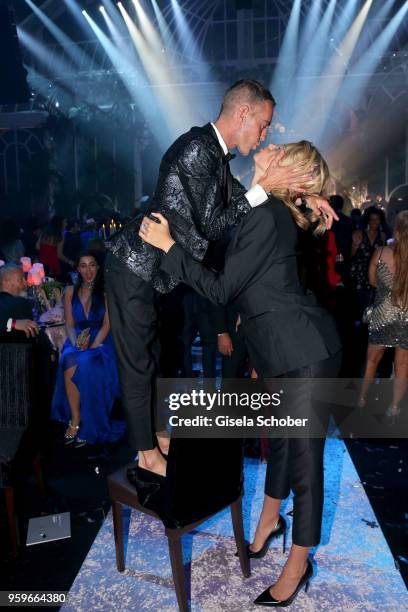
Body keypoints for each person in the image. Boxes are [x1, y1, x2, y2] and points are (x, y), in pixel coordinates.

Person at [105, 79, 337, 486]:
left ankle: (159, 438)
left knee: (157, 357)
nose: (265, 134)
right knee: (138, 360)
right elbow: (214, 226)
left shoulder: (217, 158)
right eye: (263, 124)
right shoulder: (199, 149)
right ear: (243, 113)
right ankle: (145, 454)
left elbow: (240, 214)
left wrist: (303, 196)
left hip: (158, 274)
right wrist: (264, 189)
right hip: (134, 263)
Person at [139, 140, 342, 607]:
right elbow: (232, 219)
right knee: (284, 445)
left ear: (287, 171)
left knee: (305, 464)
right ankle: (269, 520)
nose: (268, 144)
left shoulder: (269, 215)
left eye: (279, 147)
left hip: (304, 351)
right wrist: (305, 199)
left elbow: (221, 287)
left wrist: (168, 246)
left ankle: (298, 564)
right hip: (281, 349)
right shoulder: (265, 208)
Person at [51, 252, 124, 447]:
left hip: (101, 340)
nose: (88, 270)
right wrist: (75, 344)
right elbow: (69, 324)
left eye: (92, 265)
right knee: (68, 358)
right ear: (77, 269)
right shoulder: (69, 292)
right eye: (83, 265)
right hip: (77, 337)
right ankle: (75, 419)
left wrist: (90, 347)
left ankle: (90, 424)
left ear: (98, 267)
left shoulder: (106, 291)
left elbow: (107, 324)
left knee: (85, 361)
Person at [358, 211, 408, 418]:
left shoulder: (380, 253)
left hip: (382, 315)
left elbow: (372, 281)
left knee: (371, 361)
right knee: (403, 365)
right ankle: (394, 406)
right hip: (407, 317)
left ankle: (361, 399)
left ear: (396, 232)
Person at [0, 264, 39, 339]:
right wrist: (12, 323)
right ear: (6, 282)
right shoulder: (20, 303)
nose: (26, 283)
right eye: (21, 279)